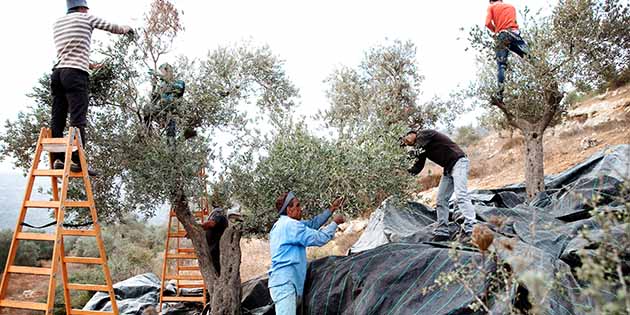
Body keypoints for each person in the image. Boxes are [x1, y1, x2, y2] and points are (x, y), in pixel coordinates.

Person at [51, 0, 133, 176]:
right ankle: (77, 162)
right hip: (75, 75)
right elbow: (112, 27)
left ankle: (57, 159)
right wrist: (128, 29)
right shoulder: (85, 18)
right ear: (82, 8)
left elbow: (69, 51)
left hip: (58, 73)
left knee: (57, 117)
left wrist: (89, 64)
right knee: (78, 119)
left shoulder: (58, 23)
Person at [268, 192, 345, 315]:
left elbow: (312, 224)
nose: (300, 209)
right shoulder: (291, 225)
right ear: (289, 209)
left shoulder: (281, 224)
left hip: (284, 282)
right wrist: (335, 223)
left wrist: (332, 208)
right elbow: (320, 238)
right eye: (297, 206)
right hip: (286, 283)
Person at [400, 129, 477, 242]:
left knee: (461, 195)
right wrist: (402, 173)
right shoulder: (421, 148)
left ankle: (472, 228)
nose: (407, 143)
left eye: (406, 140)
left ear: (411, 133)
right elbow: (417, 167)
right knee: (441, 200)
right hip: (448, 168)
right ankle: (442, 231)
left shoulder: (424, 134)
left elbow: (417, 150)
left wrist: (402, 158)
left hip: (458, 162)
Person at [485, 0, 529, 101]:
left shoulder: (491, 7)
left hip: (502, 35)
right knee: (530, 57)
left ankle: (500, 95)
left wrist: (496, 30)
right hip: (515, 35)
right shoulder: (511, 7)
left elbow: (487, 23)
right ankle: (546, 73)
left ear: (491, 1)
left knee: (501, 65)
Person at [201, 203, 228, 275]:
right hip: (212, 247)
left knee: (216, 268)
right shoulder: (216, 214)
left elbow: (211, 223)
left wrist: (198, 226)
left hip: (215, 248)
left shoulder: (219, 214)